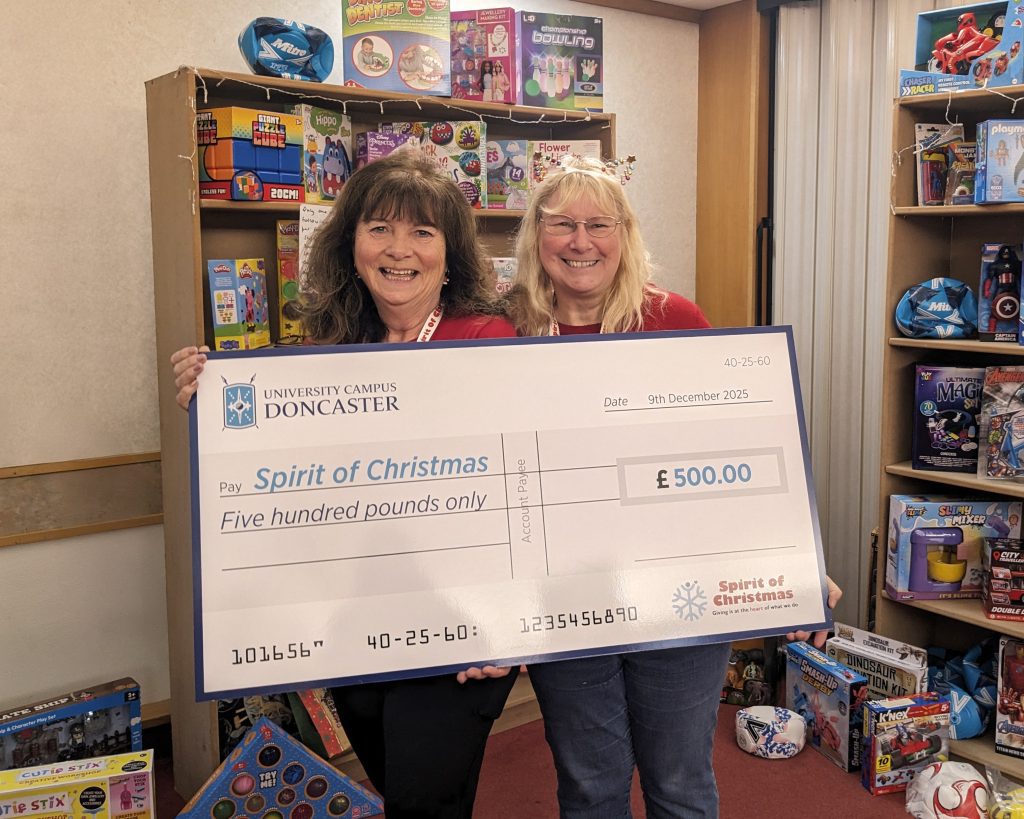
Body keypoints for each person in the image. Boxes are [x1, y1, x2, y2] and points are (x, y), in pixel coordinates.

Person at [170, 149, 518, 818]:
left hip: (462, 629)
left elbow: (517, 489)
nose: (399, 250)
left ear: (450, 253)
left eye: (422, 232)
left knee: (422, 797)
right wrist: (207, 389)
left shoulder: (488, 337)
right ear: (351, 242)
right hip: (356, 622)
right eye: (379, 228)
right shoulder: (329, 347)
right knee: (407, 790)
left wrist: (509, 622)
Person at [501, 155, 843, 818]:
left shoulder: (673, 317)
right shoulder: (502, 329)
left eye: (598, 223)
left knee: (680, 781)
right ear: (534, 236)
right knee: (588, 783)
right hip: (565, 595)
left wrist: (796, 561)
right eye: (562, 224)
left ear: (623, 234)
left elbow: (736, 456)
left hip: (681, 593)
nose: (581, 241)